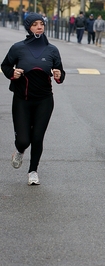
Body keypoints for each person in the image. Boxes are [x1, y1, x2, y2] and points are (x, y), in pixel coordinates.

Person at [1, 13, 65, 186]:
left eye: (42, 24)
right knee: (23, 140)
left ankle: (33, 171)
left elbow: (60, 73)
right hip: (22, 100)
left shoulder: (52, 50)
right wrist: (12, 74)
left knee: (37, 138)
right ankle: (20, 150)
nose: (39, 27)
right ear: (28, 27)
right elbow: (5, 65)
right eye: (35, 24)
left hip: (44, 100)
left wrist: (59, 75)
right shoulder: (18, 48)